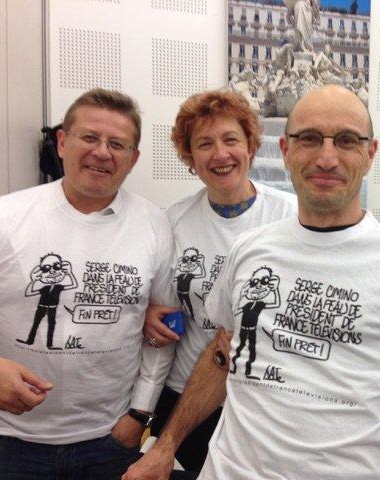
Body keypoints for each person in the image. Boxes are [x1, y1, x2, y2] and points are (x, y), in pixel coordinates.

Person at [124, 85, 380, 480]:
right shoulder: (249, 249)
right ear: (286, 150)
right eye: (309, 139)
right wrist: (166, 444)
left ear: (370, 153)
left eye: (346, 140)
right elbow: (222, 355)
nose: (326, 158)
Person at [0, 88, 177, 479]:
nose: (102, 152)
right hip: (6, 440)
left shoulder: (154, 224)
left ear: (133, 158)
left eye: (117, 144)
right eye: (89, 137)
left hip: (108, 441)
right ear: (62, 142)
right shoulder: (4, 216)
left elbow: (165, 331)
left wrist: (140, 413)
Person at [139, 90, 296, 473]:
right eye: (205, 144)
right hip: (185, 397)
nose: (220, 154)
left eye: (230, 140)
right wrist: (146, 317)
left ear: (251, 146)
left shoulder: (290, 216)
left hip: (262, 397)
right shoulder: (172, 221)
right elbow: (159, 305)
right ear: (189, 156)